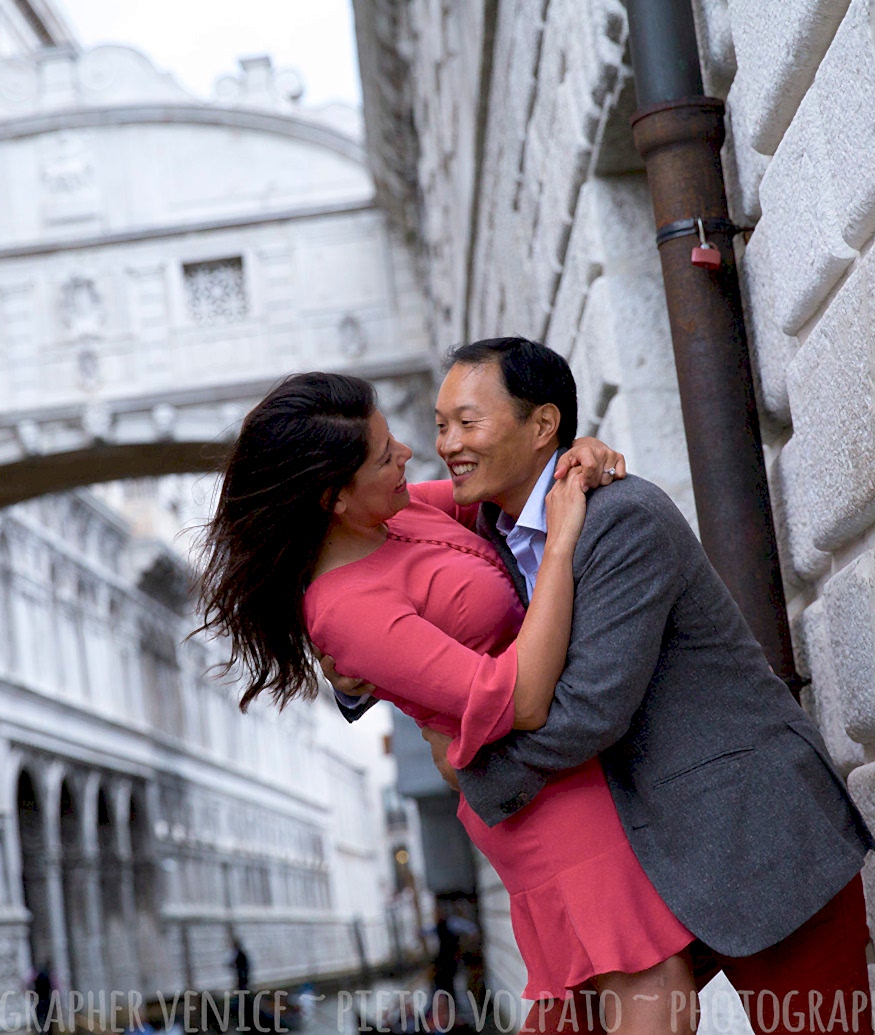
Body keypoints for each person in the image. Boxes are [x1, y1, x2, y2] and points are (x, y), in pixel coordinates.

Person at [326, 338, 875, 1035]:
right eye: (441, 425)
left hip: (753, 836)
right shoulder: (483, 526)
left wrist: (479, 779)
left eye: (467, 422)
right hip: (635, 859)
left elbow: (589, 710)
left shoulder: (624, 519)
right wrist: (346, 668)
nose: (444, 444)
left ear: (541, 425)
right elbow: (358, 565)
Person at [196, 372, 696, 1035]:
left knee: (590, 1006)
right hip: (541, 799)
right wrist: (564, 540)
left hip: (568, 769)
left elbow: (498, 497)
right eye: (383, 454)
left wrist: (574, 459)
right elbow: (518, 700)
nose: (407, 452)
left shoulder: (395, 514)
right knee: (654, 989)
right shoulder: (345, 611)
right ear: (333, 497)